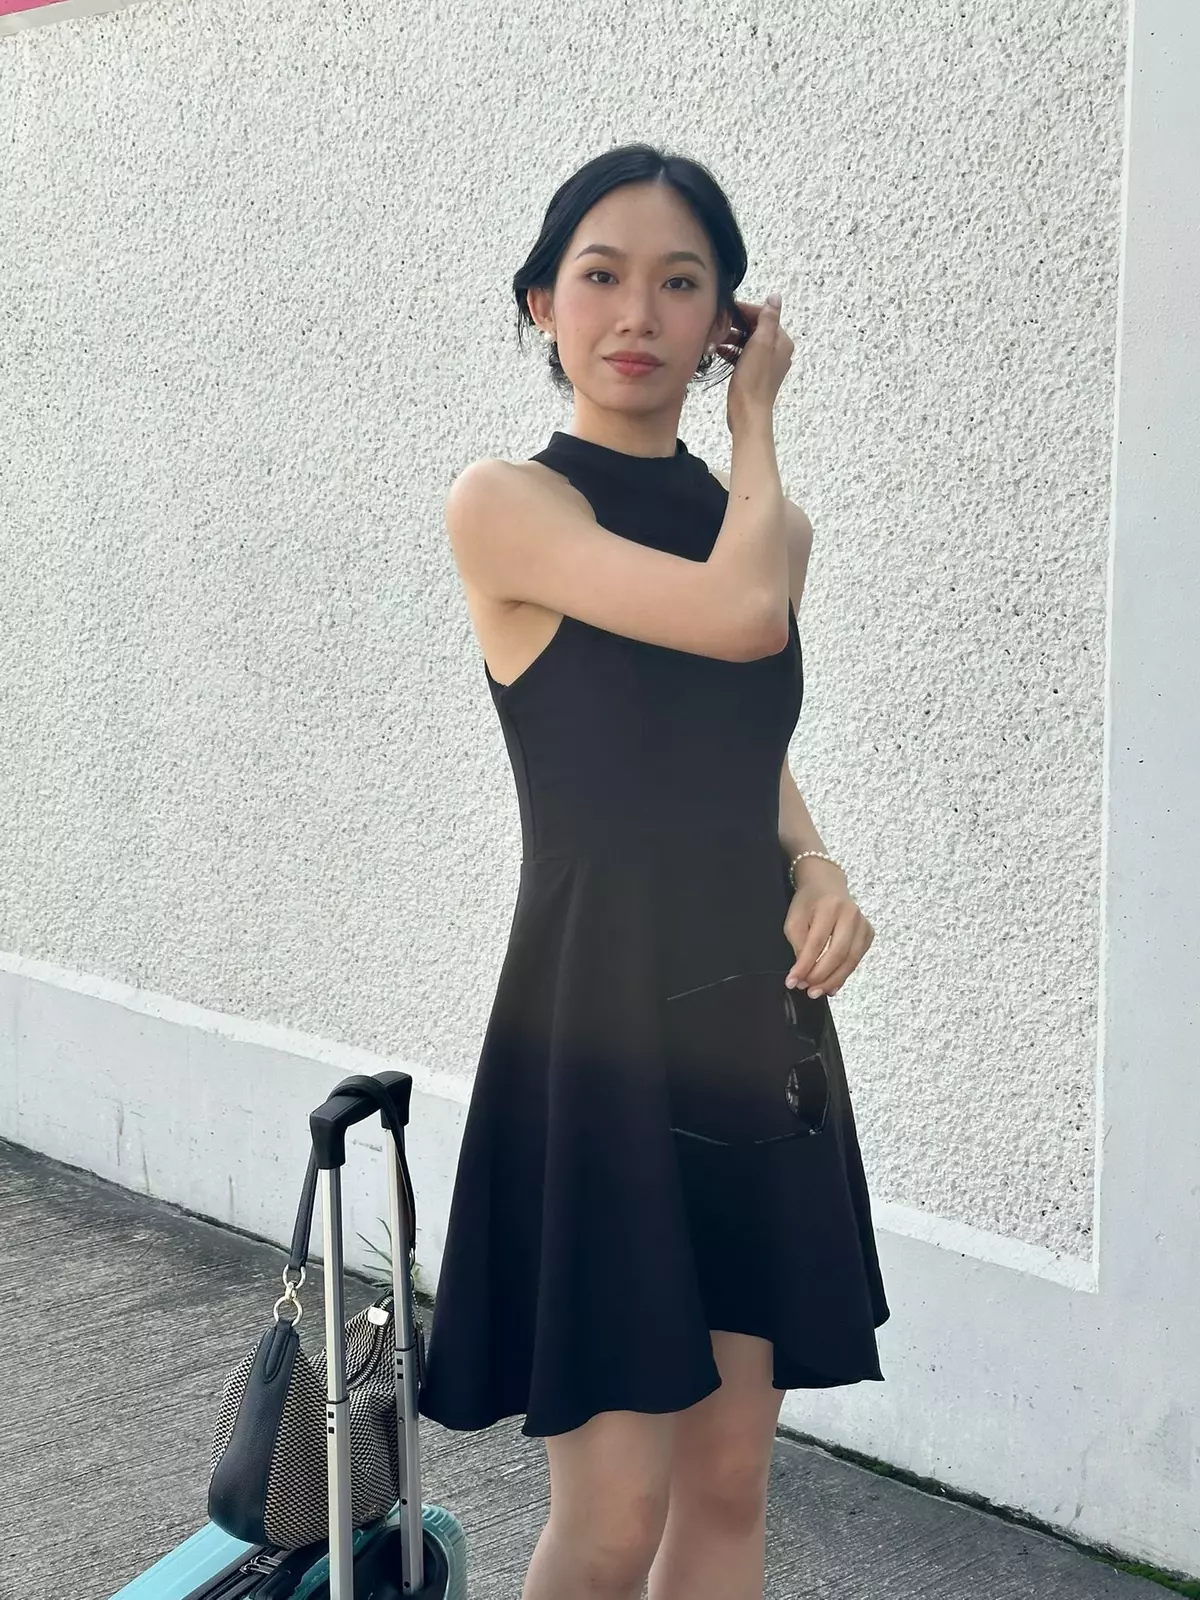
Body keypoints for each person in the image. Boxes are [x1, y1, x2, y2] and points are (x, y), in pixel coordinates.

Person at [416, 142, 890, 1600]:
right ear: (541, 303)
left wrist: (816, 861)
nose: (638, 313)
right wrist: (758, 418)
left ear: (724, 317)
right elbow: (740, 621)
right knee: (616, 1515)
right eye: (602, 275)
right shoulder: (508, 502)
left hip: (751, 1018)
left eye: (682, 284)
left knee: (730, 1484)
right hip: (600, 1020)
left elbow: (738, 736)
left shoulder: (766, 529)